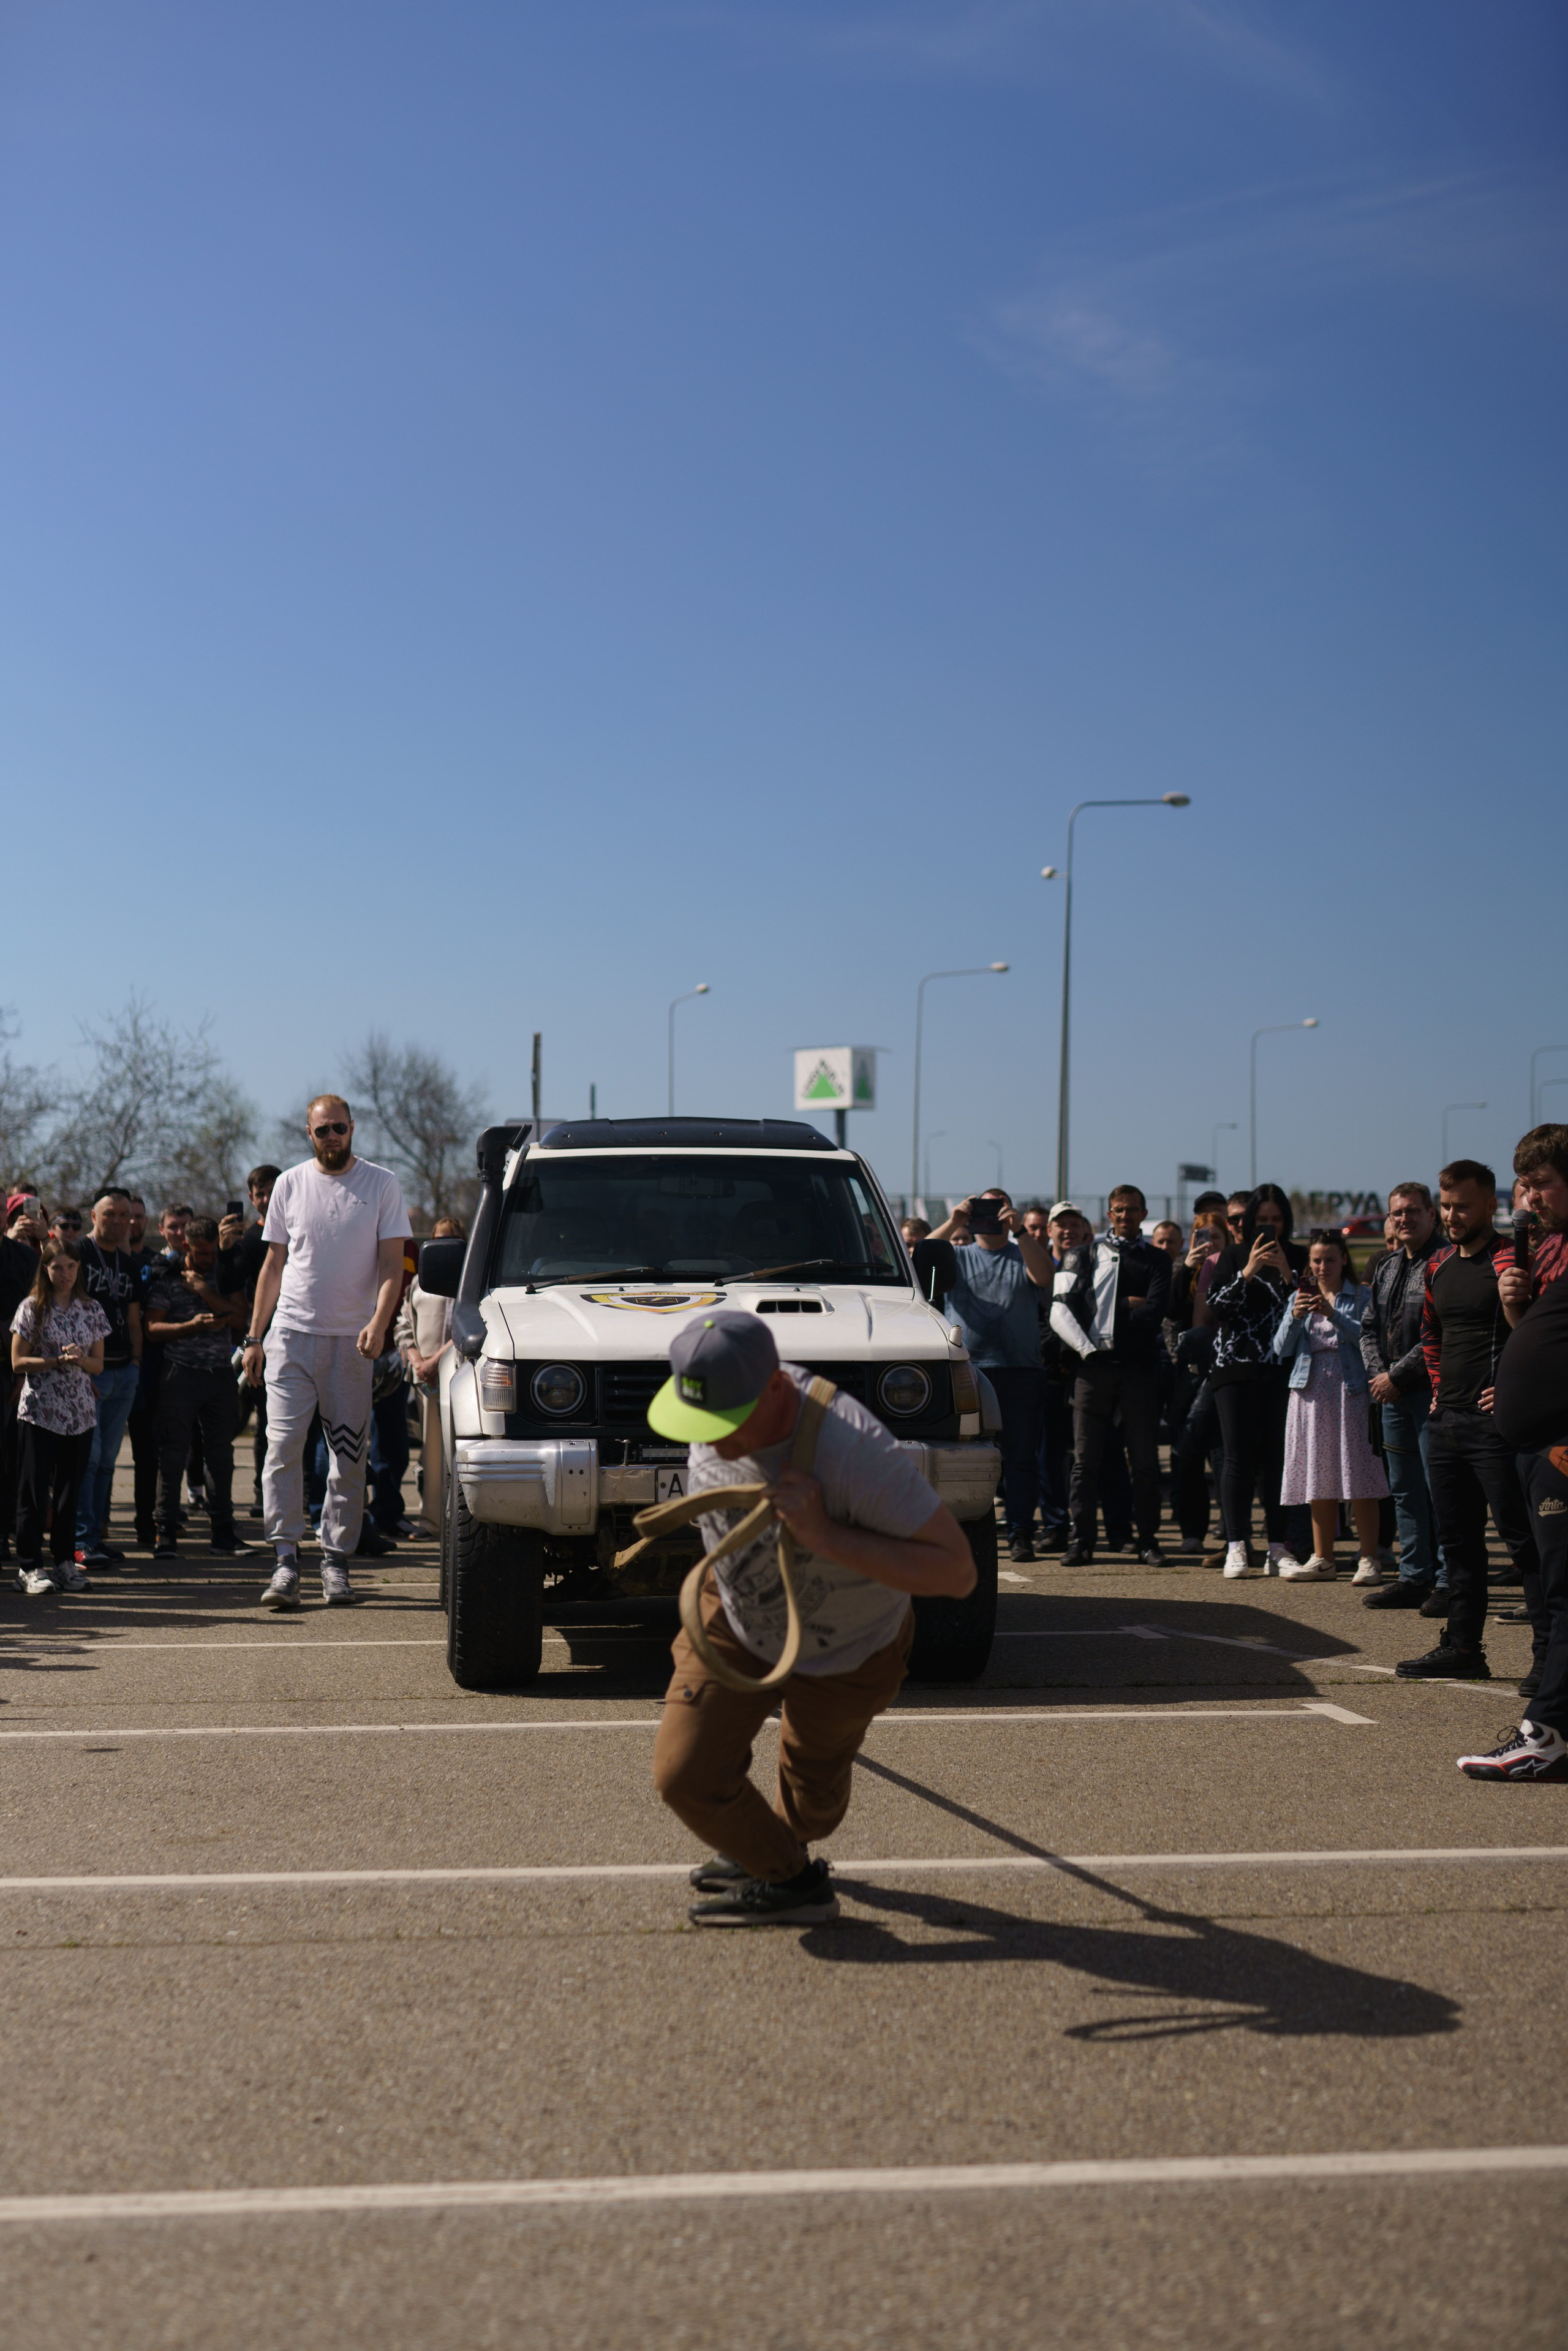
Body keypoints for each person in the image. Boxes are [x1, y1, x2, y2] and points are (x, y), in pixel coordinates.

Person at [649, 1310, 975, 1925]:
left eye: (726, 1424)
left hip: (848, 1649)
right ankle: (790, 1881)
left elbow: (956, 1571)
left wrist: (824, 1535)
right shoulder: (718, 1393)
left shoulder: (853, 1450)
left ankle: (776, 1849)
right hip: (737, 1622)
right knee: (684, 1772)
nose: (711, 1441)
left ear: (775, 1389)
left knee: (811, 1811)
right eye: (699, 1422)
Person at [243, 1095, 412, 1609]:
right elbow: (273, 1266)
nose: (332, 1137)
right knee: (282, 1449)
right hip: (291, 1337)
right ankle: (286, 1560)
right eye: (323, 1131)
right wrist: (254, 1338)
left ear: (353, 1129)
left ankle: (335, 1561)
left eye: (340, 1128)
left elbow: (392, 1266)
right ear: (308, 1134)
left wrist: (380, 1324)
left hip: (352, 1344)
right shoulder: (290, 1184)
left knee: (347, 1455)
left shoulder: (381, 1184)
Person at [1395, 1159, 1544, 1685]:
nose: (1453, 1215)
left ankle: (1548, 1659)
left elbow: (1533, 1333)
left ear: (1488, 1205)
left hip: (1496, 1430)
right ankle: (1463, 1647)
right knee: (1458, 1544)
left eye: (1463, 1205)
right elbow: (1431, 1333)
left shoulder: (1511, 1260)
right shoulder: (1439, 1268)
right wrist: (1437, 1391)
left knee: (1524, 1543)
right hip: (1446, 1424)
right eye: (1448, 1206)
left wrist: (1507, 1387)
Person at [1461, 1126, 1568, 1775]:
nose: (1528, 1200)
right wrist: (1515, 1311)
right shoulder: (1549, 1247)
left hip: (1559, 1447)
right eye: (1523, 1186)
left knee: (1563, 1594)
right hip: (1533, 1443)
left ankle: (1547, 1732)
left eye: (1542, 1184)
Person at [927, 1188, 1052, 1563]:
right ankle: (965, 1532)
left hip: (1020, 1371)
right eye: (984, 1207)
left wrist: (1022, 1233)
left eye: (998, 1208)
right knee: (965, 1457)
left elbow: (1045, 1277)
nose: (990, 1215)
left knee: (1021, 1458)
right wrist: (956, 1221)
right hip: (970, 1369)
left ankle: (1020, 1533)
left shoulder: (1022, 1252)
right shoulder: (959, 1255)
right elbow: (922, 1257)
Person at [1048, 1183, 1171, 1567]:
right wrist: (1090, 1345)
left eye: (1133, 1210)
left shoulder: (1157, 1259)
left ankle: (1148, 1541)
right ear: (1108, 1214)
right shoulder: (1081, 1255)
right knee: (1085, 1462)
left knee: (1145, 1462)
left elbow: (1154, 1313)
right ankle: (1081, 1541)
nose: (1125, 1216)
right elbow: (1060, 1312)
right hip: (1092, 1368)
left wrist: (1104, 1307)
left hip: (1138, 1370)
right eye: (1119, 1210)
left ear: (1144, 1213)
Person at [1202, 1183, 1309, 1578]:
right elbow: (1217, 1307)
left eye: (1276, 1220)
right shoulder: (1231, 1256)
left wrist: (1285, 1272)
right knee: (1237, 1458)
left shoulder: (1298, 1257)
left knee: (1277, 1459)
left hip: (1282, 1369)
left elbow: (1308, 1308)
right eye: (1262, 1220)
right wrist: (1248, 1271)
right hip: (1234, 1368)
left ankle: (1278, 1547)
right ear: (1249, 1222)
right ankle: (1236, 1545)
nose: (1269, 1227)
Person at [1272, 1230, 1389, 1580]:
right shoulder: (1300, 1296)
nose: (1323, 1267)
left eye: (1331, 1260)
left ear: (1344, 1261)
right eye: (1317, 1260)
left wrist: (1334, 1314)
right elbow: (1280, 1349)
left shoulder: (1362, 1295)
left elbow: (1372, 1338)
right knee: (1317, 1475)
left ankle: (1369, 1557)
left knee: (1360, 1475)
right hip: (1310, 1395)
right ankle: (1323, 1559)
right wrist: (1294, 1316)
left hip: (1351, 1392)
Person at [1360, 1183, 1449, 1615]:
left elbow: (1440, 1332)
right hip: (1391, 1396)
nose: (1404, 1219)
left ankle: (1451, 1582)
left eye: (1413, 1211)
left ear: (1432, 1214)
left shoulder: (1446, 1262)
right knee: (1405, 1491)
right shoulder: (1387, 1266)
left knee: (1442, 1491)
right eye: (1397, 1213)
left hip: (1433, 1394)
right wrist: (1380, 1375)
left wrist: (1395, 1375)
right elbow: (1368, 1327)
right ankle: (1416, 1576)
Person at [142, 1216, 248, 1558]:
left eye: (213, 1252)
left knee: (221, 1455)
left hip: (219, 1374)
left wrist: (205, 1292)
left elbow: (241, 1318)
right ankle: (166, 1532)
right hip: (180, 1374)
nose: (208, 1259)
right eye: (201, 1253)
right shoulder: (168, 1277)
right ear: (186, 1246)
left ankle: (223, 1532)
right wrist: (191, 1326)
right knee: (172, 1453)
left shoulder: (224, 1273)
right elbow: (152, 1328)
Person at [9, 1239, 109, 1594]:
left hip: (79, 1413)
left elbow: (98, 1363)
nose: (64, 1274)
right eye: (57, 1267)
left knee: (70, 1492)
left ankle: (65, 1563)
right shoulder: (32, 1308)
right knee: (35, 1492)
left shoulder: (91, 1308)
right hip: (40, 1411)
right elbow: (17, 1361)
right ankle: (29, 1566)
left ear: (79, 1268)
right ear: (46, 1270)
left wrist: (80, 1359)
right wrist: (55, 1361)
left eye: (70, 1267)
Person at [73, 1187, 144, 1568]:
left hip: (124, 1372)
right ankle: (81, 1540)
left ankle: (97, 1536)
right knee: (90, 1457)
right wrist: (81, 1366)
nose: (118, 1221)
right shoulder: (78, 1254)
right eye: (110, 1214)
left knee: (107, 1461)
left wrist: (136, 1361)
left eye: (124, 1215)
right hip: (90, 1373)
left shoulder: (129, 1262)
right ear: (93, 1215)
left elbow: (134, 1319)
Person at [1164, 1196, 1229, 1558]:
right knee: (1185, 1452)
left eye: (1216, 1236)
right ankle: (1193, 1530)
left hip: (1223, 1369)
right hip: (1188, 1372)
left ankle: (1231, 1527)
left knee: (1221, 1453)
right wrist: (1186, 1270)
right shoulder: (1183, 1267)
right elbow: (1171, 1312)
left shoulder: (1234, 1266)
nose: (1209, 1243)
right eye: (1201, 1236)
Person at [396, 1215, 464, 1536]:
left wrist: (437, 1361)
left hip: (456, 1376)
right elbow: (403, 1324)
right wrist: (416, 1361)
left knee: (455, 1453)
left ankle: (460, 1521)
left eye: (450, 1240)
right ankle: (431, 1521)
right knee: (429, 1452)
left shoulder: (466, 1281)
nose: (442, 1246)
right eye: (437, 1240)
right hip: (424, 1381)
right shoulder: (418, 1281)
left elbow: (466, 1327)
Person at [221, 1165, 282, 1518]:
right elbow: (229, 1282)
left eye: (272, 1191)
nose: (266, 1199)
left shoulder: (295, 1231)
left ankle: (306, 1491)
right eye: (260, 1194)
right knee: (264, 1422)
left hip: (298, 1338)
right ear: (251, 1199)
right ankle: (263, 1495)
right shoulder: (246, 1241)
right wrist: (226, 1249)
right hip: (259, 1344)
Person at [1, 1191, 47, 1561]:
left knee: (8, 1461)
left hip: (10, 1373)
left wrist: (21, 1372)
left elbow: (35, 1317)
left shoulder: (25, 1258)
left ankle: (4, 1538)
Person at [123, 1194, 162, 1548]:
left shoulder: (155, 1262)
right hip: (106, 1365)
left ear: (147, 1221)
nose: (133, 1222)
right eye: (127, 1216)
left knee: (147, 1455)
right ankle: (95, 1528)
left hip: (147, 1370)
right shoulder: (103, 1260)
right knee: (97, 1455)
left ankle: (146, 1526)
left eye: (138, 1216)